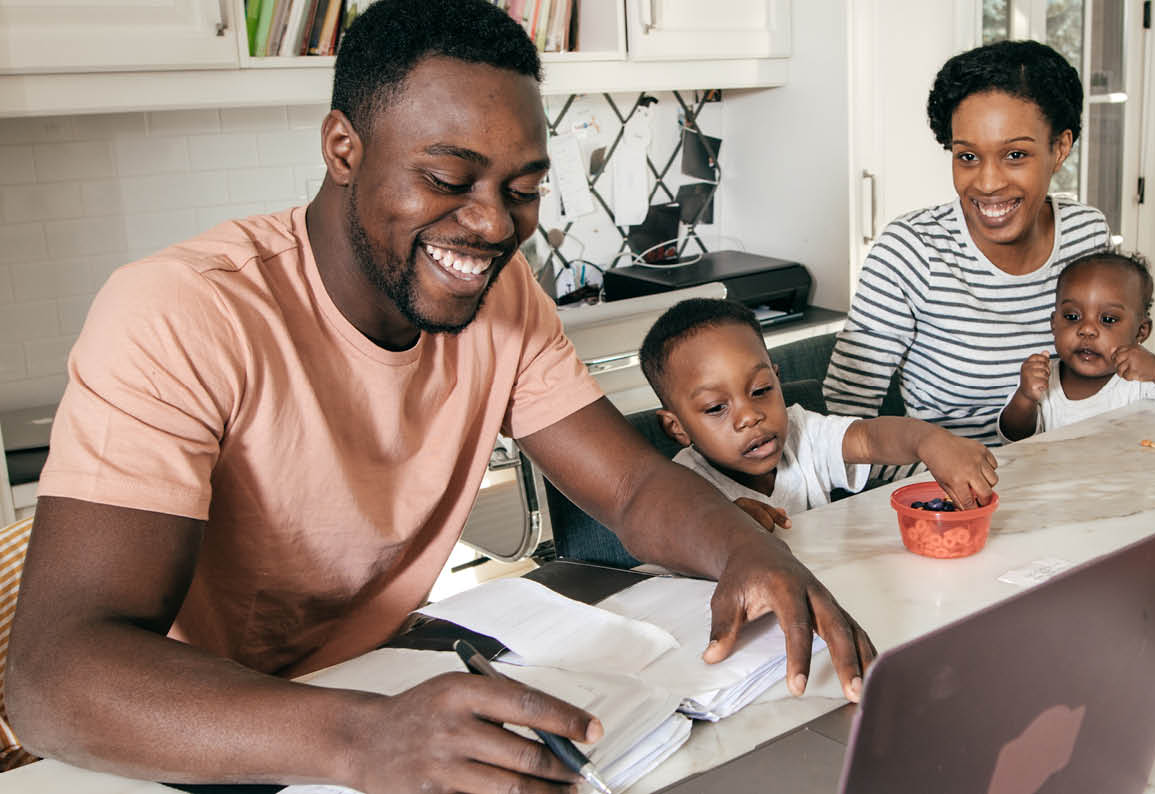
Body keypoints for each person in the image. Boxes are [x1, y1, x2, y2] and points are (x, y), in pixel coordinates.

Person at [3, 2, 874, 792]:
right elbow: (54, 676)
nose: (494, 225)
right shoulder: (184, 313)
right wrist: (362, 739)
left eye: (523, 189)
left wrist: (747, 558)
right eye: (450, 179)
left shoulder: (505, 298)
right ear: (343, 148)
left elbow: (635, 488)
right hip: (202, 731)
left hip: (385, 686)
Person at [823, 40, 1112, 455]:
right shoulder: (912, 251)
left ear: (1060, 148)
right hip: (946, 496)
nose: (988, 183)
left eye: (1015, 154)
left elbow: (1107, 375)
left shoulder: (1087, 234)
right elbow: (840, 429)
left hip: (1071, 472)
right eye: (968, 156)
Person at [638, 299, 999, 529]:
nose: (750, 416)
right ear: (677, 427)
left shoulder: (801, 432)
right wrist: (716, 531)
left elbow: (868, 438)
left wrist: (929, 440)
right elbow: (667, 528)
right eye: (717, 408)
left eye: (761, 390)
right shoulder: (684, 487)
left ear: (778, 380)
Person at [997, 251, 1155, 441]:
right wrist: (1025, 397)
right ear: (1054, 324)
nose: (1087, 329)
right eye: (1072, 316)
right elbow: (1014, 437)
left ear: (1141, 331)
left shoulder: (1141, 380)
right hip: (1055, 484)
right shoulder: (1044, 380)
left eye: (1108, 319)